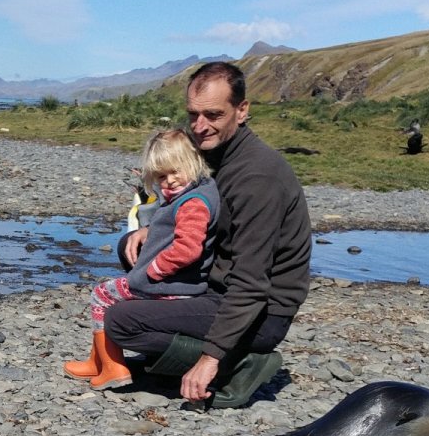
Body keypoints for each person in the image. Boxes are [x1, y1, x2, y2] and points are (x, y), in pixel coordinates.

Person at [103, 61, 311, 408]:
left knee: (120, 321)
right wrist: (148, 233)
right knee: (131, 253)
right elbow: (190, 216)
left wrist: (210, 357)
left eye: (213, 115)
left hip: (262, 312)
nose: (200, 127)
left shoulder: (258, 178)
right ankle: (187, 355)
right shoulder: (211, 157)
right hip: (214, 282)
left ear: (241, 111)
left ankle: (239, 363)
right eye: (193, 114)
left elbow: (250, 283)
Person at [65, 129, 221, 389]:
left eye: (175, 171)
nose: (169, 181)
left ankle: (113, 367)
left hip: (170, 284)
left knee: (101, 294)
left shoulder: (193, 203)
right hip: (178, 282)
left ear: (193, 163)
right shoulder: (198, 190)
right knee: (107, 295)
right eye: (161, 176)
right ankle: (98, 360)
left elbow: (188, 249)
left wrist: (155, 269)